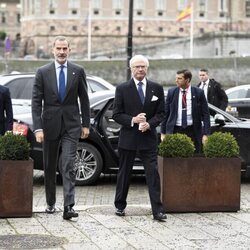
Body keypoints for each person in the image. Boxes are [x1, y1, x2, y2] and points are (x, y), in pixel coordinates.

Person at [32, 36, 90, 220]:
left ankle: (68, 207)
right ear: (53, 50)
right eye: (58, 48)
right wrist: (38, 128)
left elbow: (85, 99)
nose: (62, 52)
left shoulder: (78, 71)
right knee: (49, 166)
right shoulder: (43, 72)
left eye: (65, 48)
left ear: (69, 50)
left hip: (72, 126)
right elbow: (35, 102)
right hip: (49, 126)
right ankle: (50, 202)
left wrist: (86, 124)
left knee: (68, 165)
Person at [112, 54, 167, 221]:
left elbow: (161, 113)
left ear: (147, 68)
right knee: (124, 174)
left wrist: (149, 124)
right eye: (137, 67)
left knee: (153, 175)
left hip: (148, 138)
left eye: (143, 66)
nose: (140, 69)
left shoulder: (156, 88)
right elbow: (116, 114)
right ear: (131, 69)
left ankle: (157, 210)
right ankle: (120, 206)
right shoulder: (122, 88)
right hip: (128, 138)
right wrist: (133, 120)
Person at [161, 69, 210, 154]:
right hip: (175, 130)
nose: (176, 80)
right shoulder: (172, 92)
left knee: (194, 158)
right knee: (174, 158)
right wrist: (163, 132)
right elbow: (166, 113)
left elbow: (206, 114)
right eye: (176, 78)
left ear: (187, 80)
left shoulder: (198, 93)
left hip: (193, 130)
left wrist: (206, 134)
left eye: (179, 78)